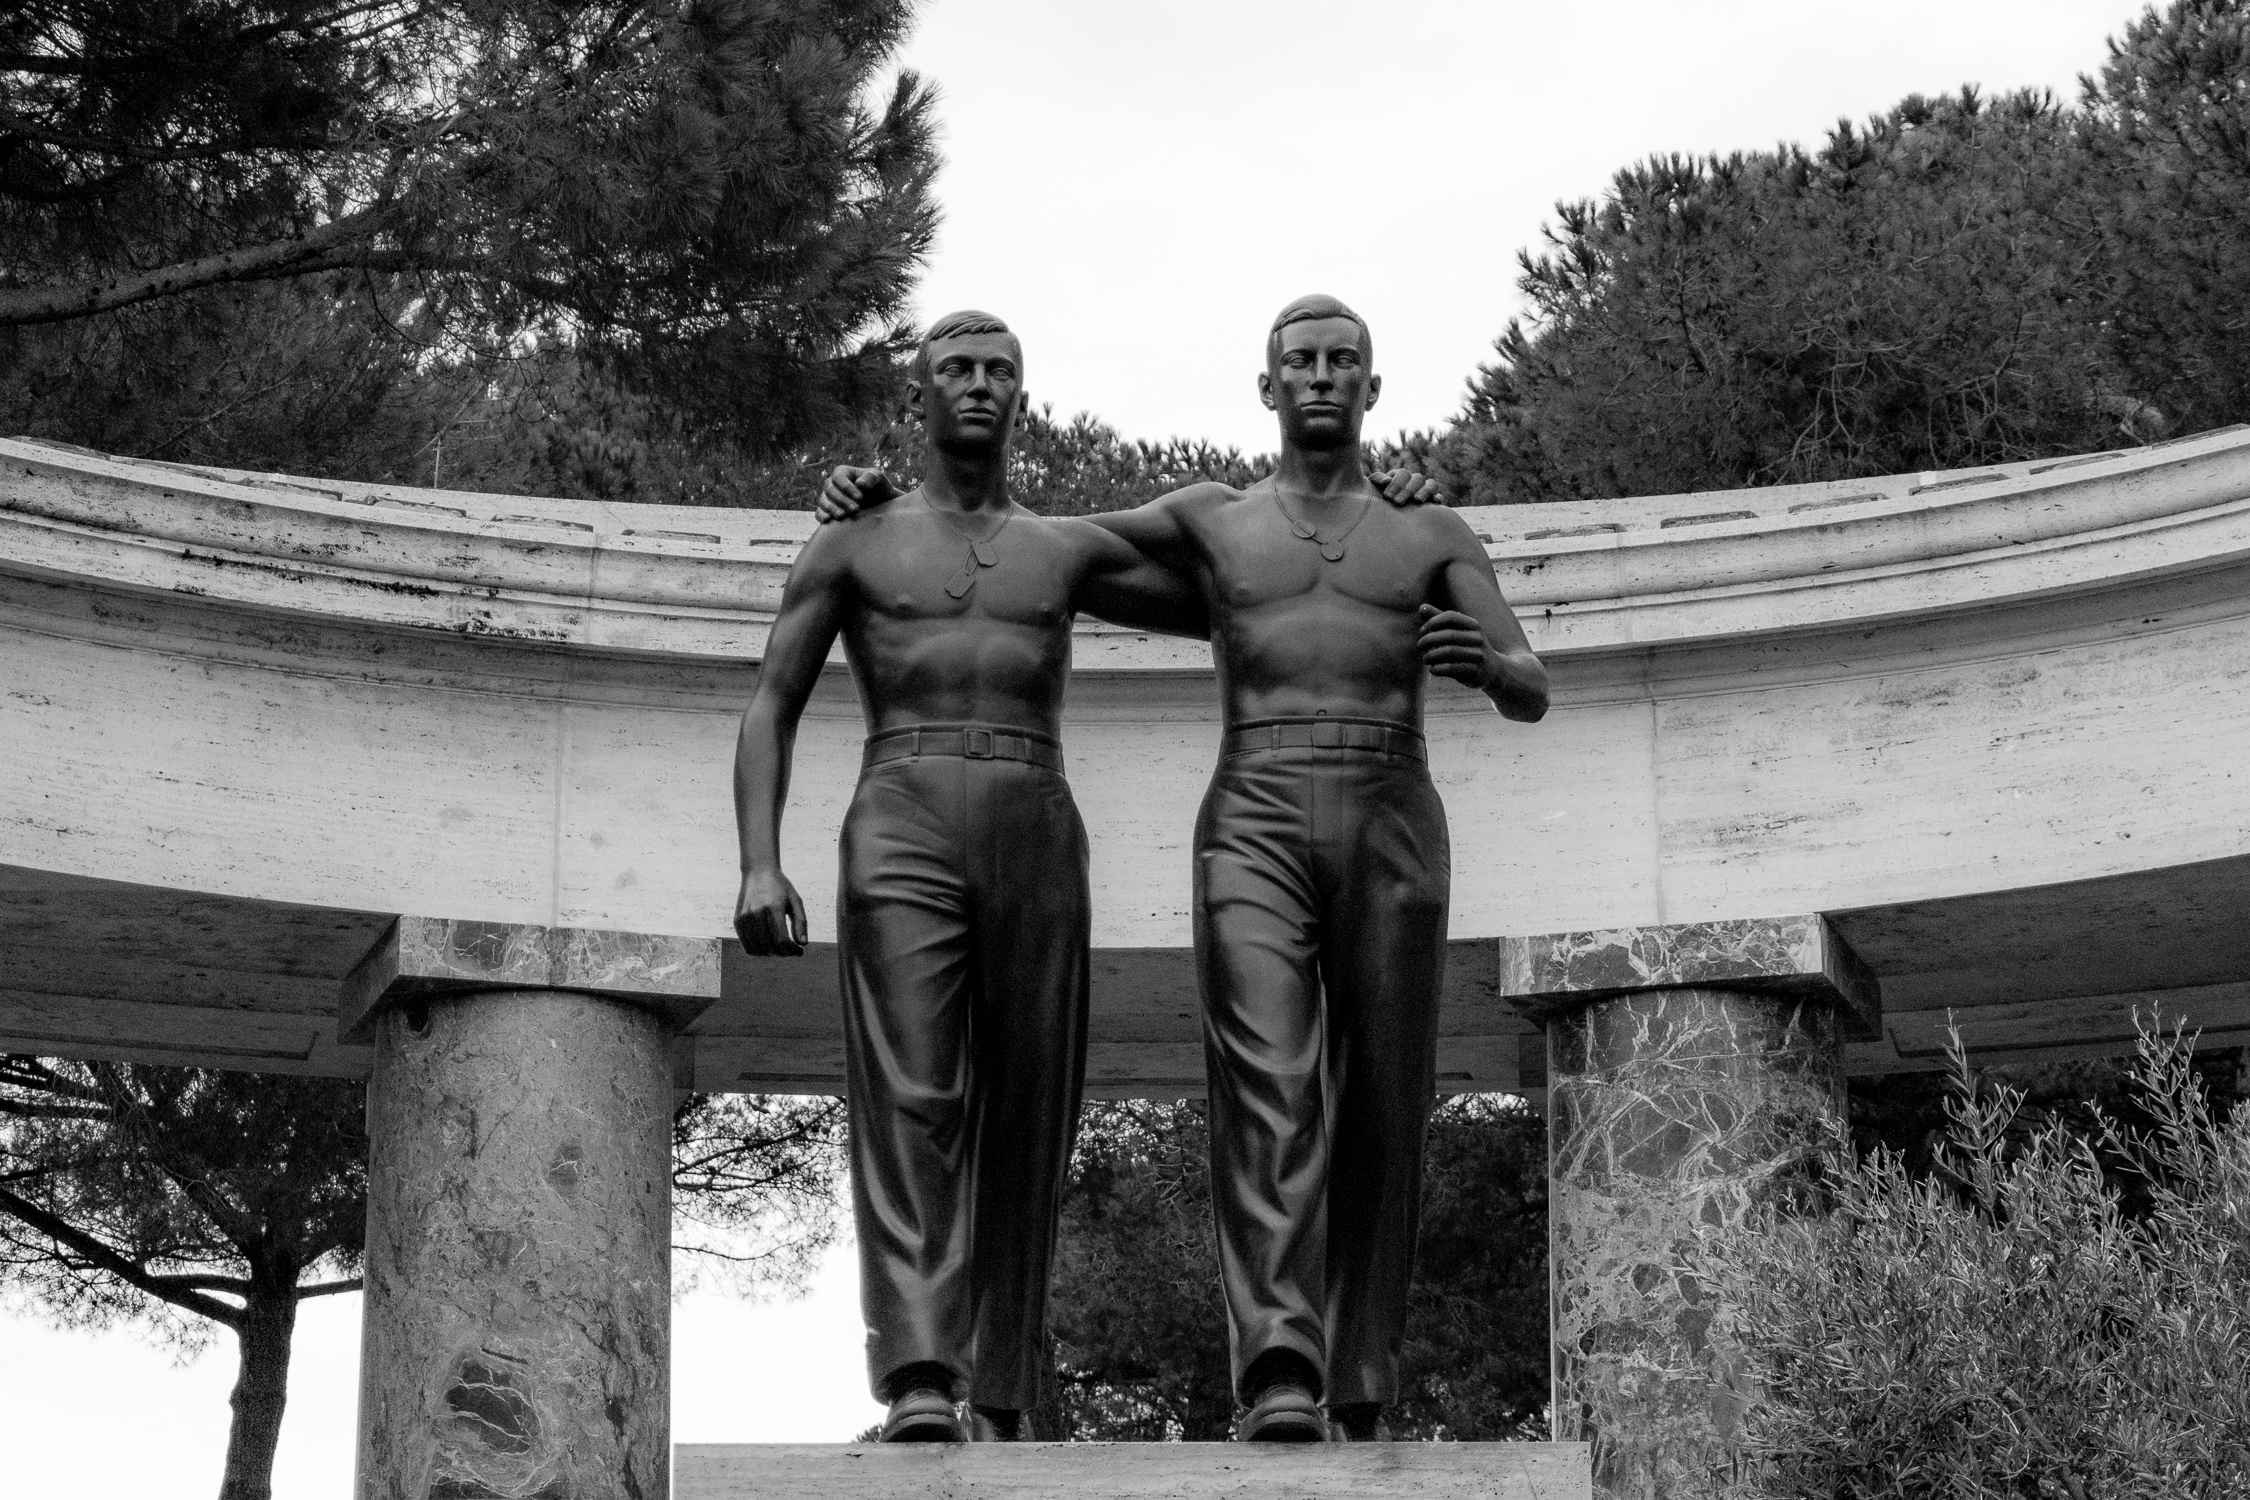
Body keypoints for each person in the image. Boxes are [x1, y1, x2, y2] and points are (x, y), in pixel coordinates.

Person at [818, 294, 1547, 1442]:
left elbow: (1530, 676)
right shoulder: (1208, 523)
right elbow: (1032, 549)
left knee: (1387, 1099)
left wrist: (1493, 669)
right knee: (1271, 1081)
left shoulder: (1434, 533)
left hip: (1393, 806)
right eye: (1298, 361)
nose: (1320, 376)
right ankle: (1280, 1373)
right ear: (1265, 388)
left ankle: (1363, 1380)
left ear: (1373, 387)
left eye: (1342, 362)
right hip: (1254, 803)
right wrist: (874, 507)